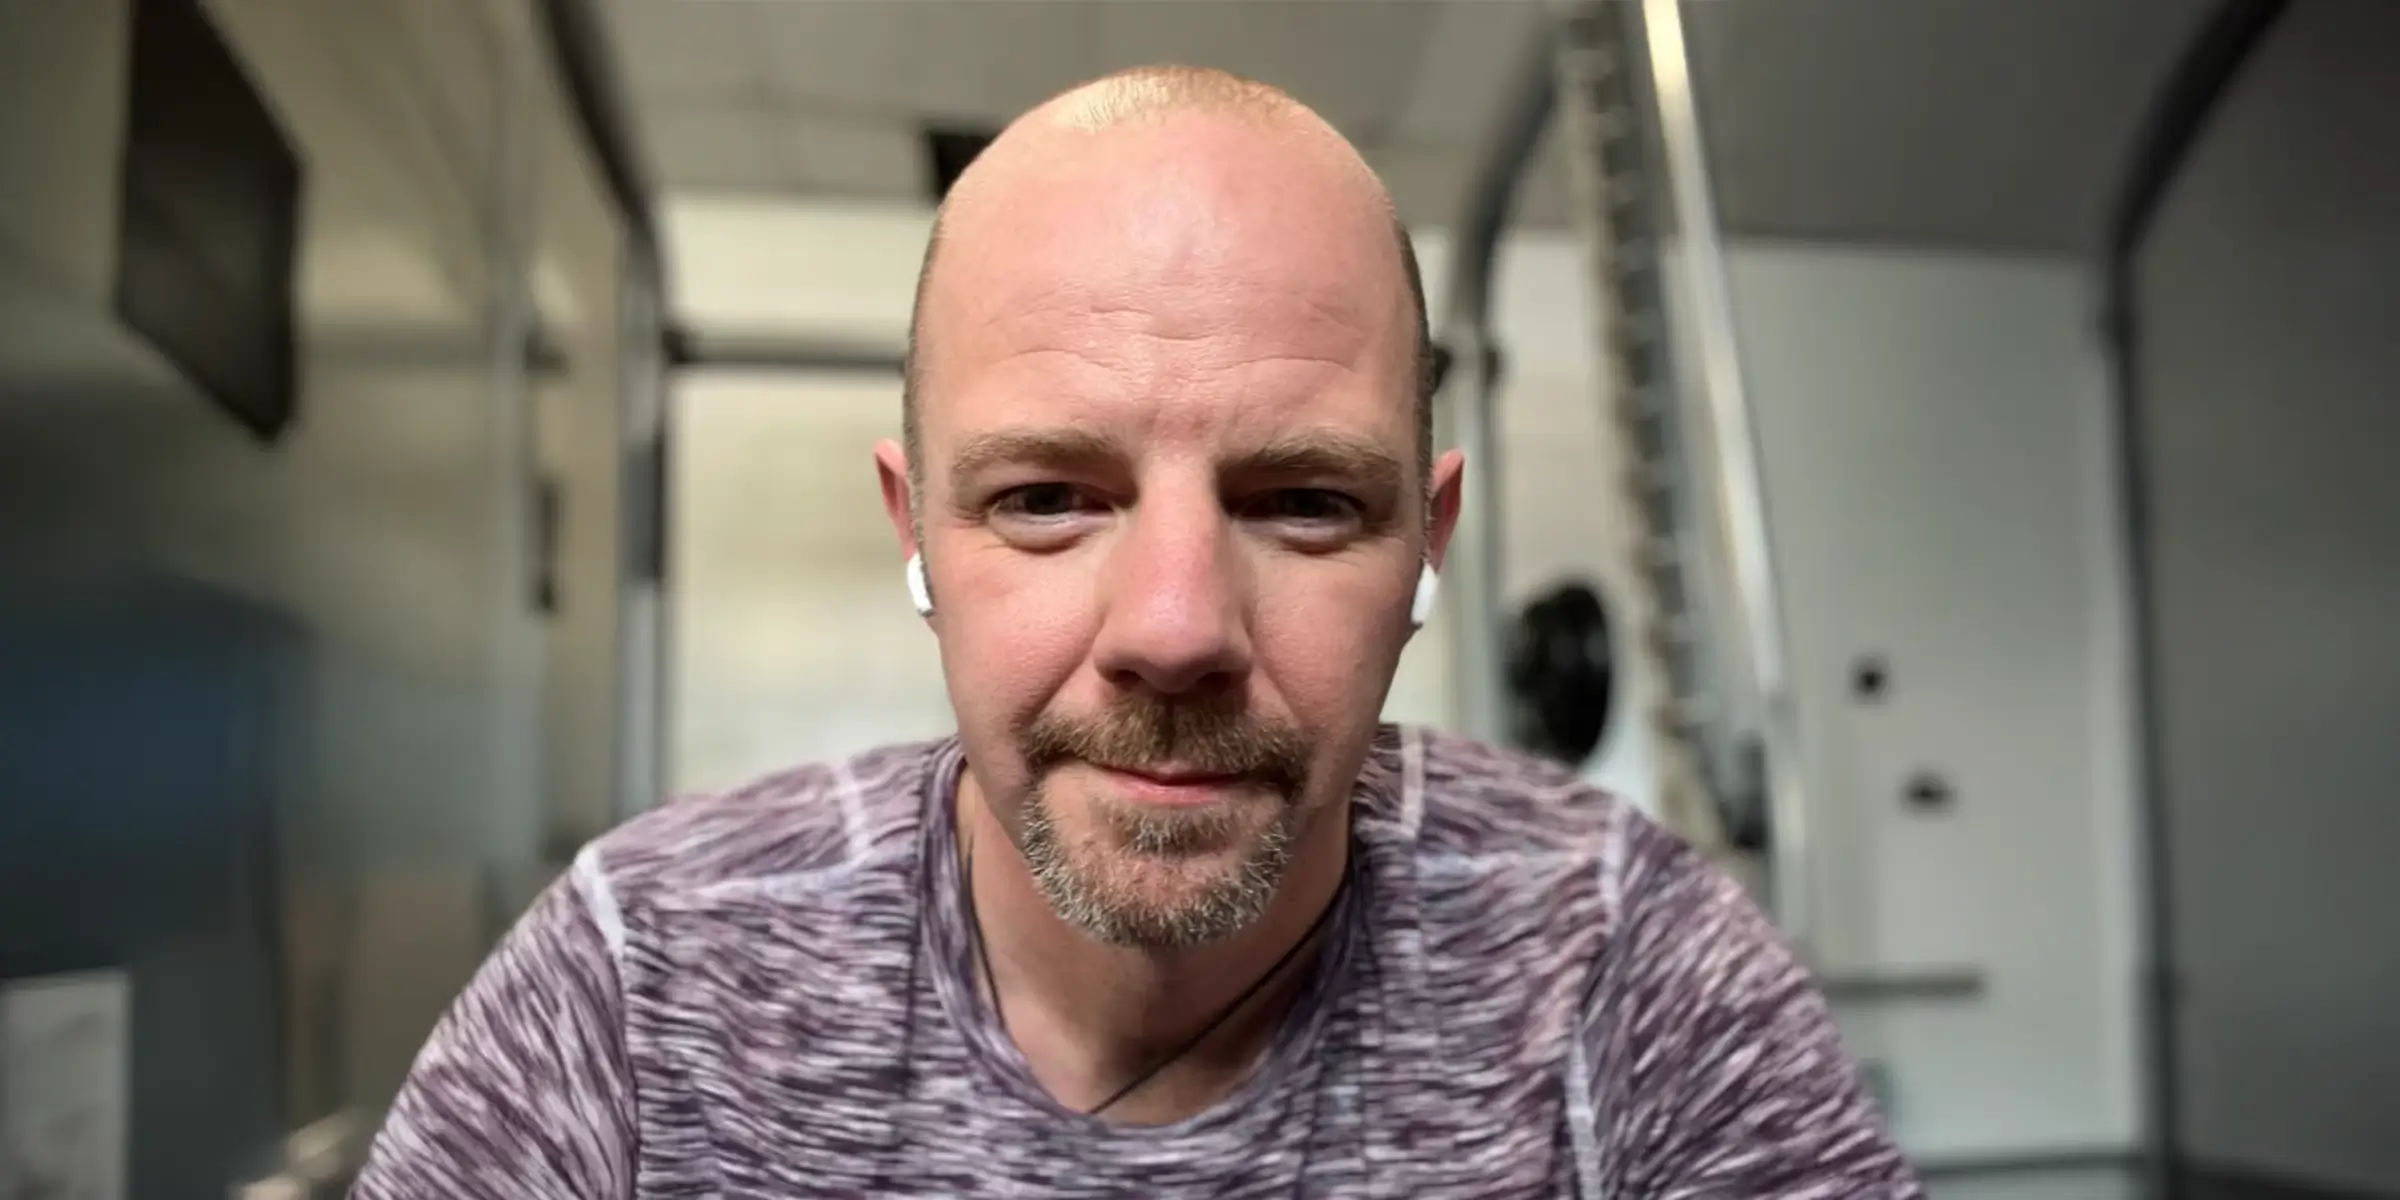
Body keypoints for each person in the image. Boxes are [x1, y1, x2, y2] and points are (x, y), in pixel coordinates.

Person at [353, 65, 1921, 1198]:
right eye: (1047, 498)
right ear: (917, 532)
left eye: (1304, 504)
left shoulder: (1625, 967)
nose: (1174, 630)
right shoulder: (647, 983)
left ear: (1426, 548)